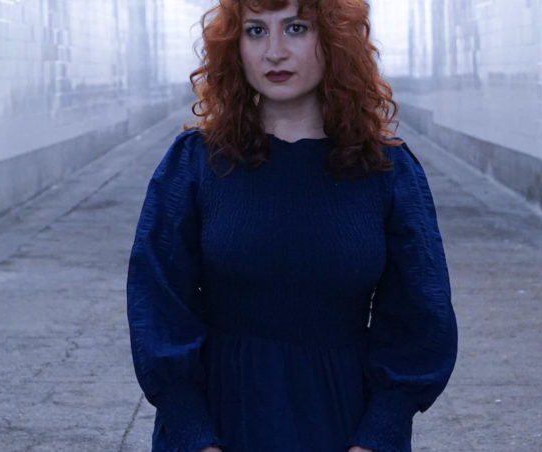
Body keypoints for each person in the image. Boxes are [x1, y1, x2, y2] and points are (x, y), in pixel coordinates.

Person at [126, 0, 458, 451]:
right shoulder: (196, 163)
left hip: (344, 421)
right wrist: (192, 434)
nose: (274, 51)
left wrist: (379, 433)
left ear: (335, 40)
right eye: (256, 31)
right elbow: (157, 303)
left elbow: (420, 312)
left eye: (296, 28)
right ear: (235, 46)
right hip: (218, 420)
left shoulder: (386, 170)